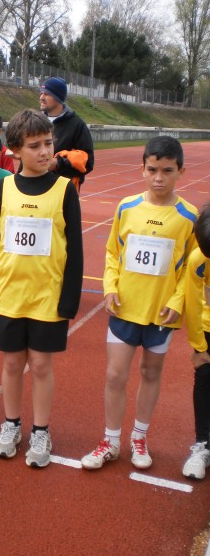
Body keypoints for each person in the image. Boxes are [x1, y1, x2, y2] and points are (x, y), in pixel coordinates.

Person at [81, 136, 197, 471]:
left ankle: (139, 437)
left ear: (180, 171)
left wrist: (177, 300)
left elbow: (192, 268)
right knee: (115, 375)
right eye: (152, 170)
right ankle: (110, 440)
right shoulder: (127, 207)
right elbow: (113, 253)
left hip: (162, 313)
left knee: (150, 372)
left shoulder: (187, 216)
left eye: (167, 171)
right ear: (142, 168)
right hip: (125, 308)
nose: (159, 177)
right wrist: (109, 287)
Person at [0, 109, 83, 468]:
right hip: (8, 294)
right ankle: (11, 424)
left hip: (48, 296)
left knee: (40, 365)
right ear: (15, 150)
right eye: (34, 146)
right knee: (11, 363)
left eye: (48, 144)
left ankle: (41, 429)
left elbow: (76, 249)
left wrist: (69, 299)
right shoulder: (2, 188)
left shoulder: (64, 189)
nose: (44, 152)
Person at [182, 204, 210, 480]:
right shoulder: (199, 260)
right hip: (208, 328)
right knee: (204, 378)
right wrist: (199, 347)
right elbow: (193, 303)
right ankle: (202, 444)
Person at [39, 77, 94, 193]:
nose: (41, 97)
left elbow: (87, 162)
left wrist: (58, 164)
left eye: (47, 94)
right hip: (36, 187)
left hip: (63, 192)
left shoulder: (77, 125)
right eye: (41, 93)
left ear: (58, 98)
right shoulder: (36, 121)